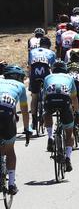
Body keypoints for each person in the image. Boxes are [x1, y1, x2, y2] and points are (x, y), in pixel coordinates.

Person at [43, 60, 79, 172]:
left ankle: (50, 137)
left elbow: (45, 96)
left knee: (47, 113)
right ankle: (68, 158)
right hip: (64, 101)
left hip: (51, 99)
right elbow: (74, 97)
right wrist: (76, 111)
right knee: (69, 132)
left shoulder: (47, 77)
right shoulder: (69, 77)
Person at [0, 66, 30, 195]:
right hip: (7, 115)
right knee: (10, 150)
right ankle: (11, 184)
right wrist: (27, 129)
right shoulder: (20, 86)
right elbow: (24, 111)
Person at [27, 37, 56, 131]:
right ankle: (47, 110)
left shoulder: (32, 51)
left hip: (34, 73)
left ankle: (34, 120)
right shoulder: (51, 53)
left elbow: (30, 66)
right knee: (48, 94)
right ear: (49, 45)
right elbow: (53, 67)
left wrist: (30, 77)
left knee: (34, 96)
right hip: (45, 72)